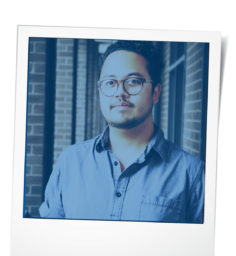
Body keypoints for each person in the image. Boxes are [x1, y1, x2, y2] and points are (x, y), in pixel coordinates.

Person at [39, 40, 204, 223]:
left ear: (155, 93)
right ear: (100, 90)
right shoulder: (69, 162)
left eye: (133, 82)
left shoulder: (191, 174)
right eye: (110, 82)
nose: (120, 93)